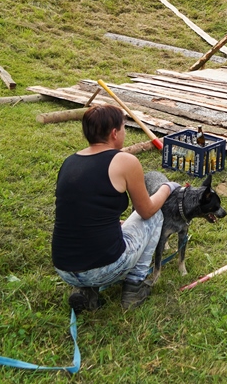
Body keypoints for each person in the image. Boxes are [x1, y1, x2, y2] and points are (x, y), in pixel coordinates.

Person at [51, 105, 178, 310]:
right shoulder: (125, 161)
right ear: (114, 133)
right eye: (124, 128)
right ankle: (134, 288)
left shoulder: (70, 162)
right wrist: (166, 188)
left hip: (64, 268)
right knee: (154, 216)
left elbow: (84, 212)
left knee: (110, 230)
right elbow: (146, 210)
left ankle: (86, 291)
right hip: (104, 267)